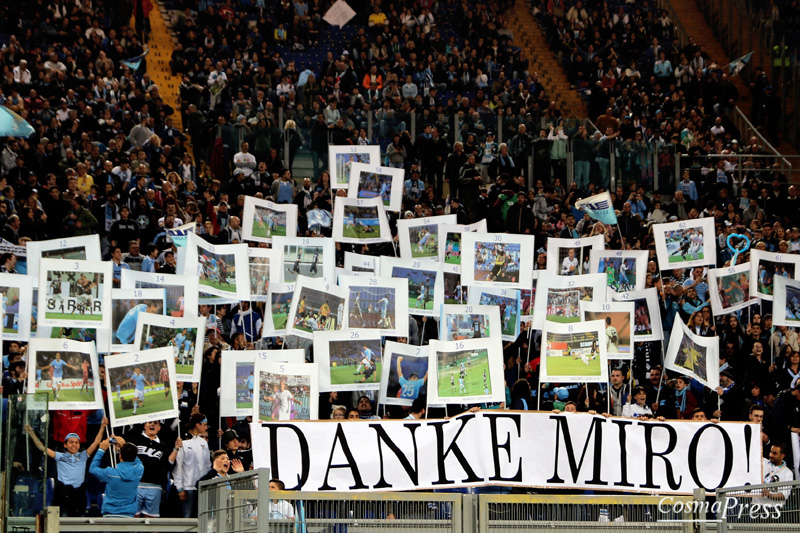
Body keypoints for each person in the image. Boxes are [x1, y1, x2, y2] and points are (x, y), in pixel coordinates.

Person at [24, 419, 108, 516]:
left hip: (78, 495)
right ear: (65, 444)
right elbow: (41, 447)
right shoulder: (60, 456)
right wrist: (32, 433)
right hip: (63, 494)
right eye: (71, 442)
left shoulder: (83, 456)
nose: (74, 445)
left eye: (76, 443)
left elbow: (96, 442)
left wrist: (103, 426)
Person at [124, 421, 181, 518]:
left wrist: (175, 449)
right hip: (135, 485)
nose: (152, 425)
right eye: (150, 422)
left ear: (159, 428)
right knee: (133, 518)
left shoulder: (163, 445)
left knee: (151, 520)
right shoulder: (134, 440)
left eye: (155, 423)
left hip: (155, 487)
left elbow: (168, 465)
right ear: (145, 425)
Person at [89, 438, 145, 516]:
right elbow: (136, 459)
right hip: (128, 516)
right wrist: (125, 447)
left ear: (120, 455)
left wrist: (101, 449)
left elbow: (92, 469)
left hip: (109, 515)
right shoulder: (139, 470)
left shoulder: (110, 472)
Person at [173, 413, 211, 518]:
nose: (206, 427)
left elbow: (208, 465)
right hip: (188, 487)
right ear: (197, 425)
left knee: (203, 517)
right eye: (204, 425)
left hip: (202, 486)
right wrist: (180, 488)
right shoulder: (183, 442)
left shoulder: (204, 442)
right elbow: (178, 466)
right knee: (187, 516)